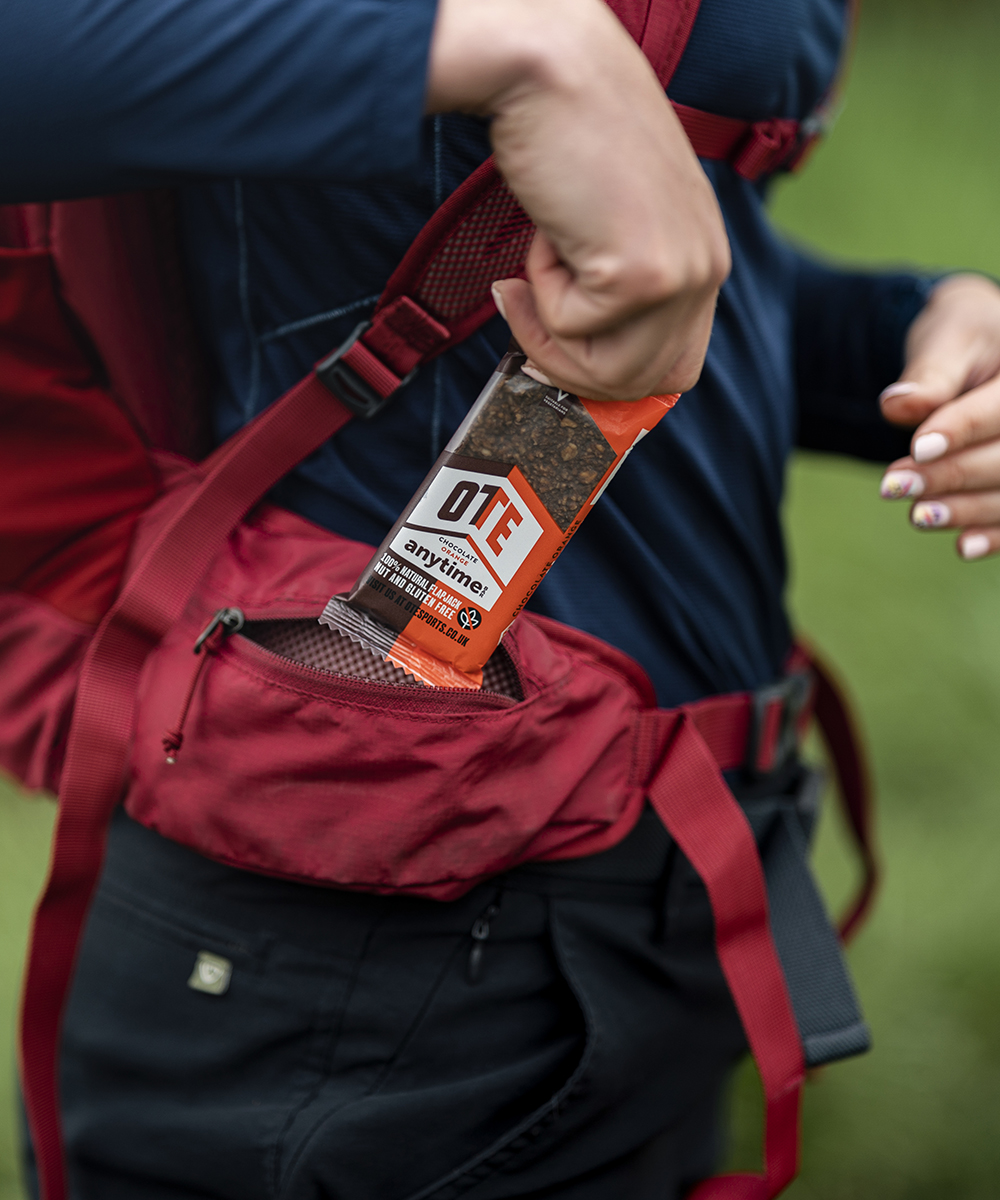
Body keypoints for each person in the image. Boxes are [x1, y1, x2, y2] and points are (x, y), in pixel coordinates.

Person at [4, 0, 1000, 1197]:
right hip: (345, 952)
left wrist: (916, 329)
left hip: (652, 895)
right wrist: (514, 50)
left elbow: (668, 267)